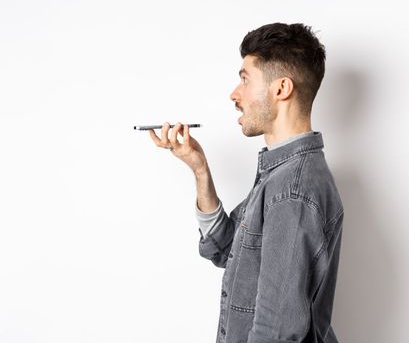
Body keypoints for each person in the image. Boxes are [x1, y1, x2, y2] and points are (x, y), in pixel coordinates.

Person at [147, 23, 343, 343]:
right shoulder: (281, 175)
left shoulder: (291, 190)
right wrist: (199, 168)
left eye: (244, 79)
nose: (234, 94)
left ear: (281, 89)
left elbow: (276, 332)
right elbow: (227, 249)